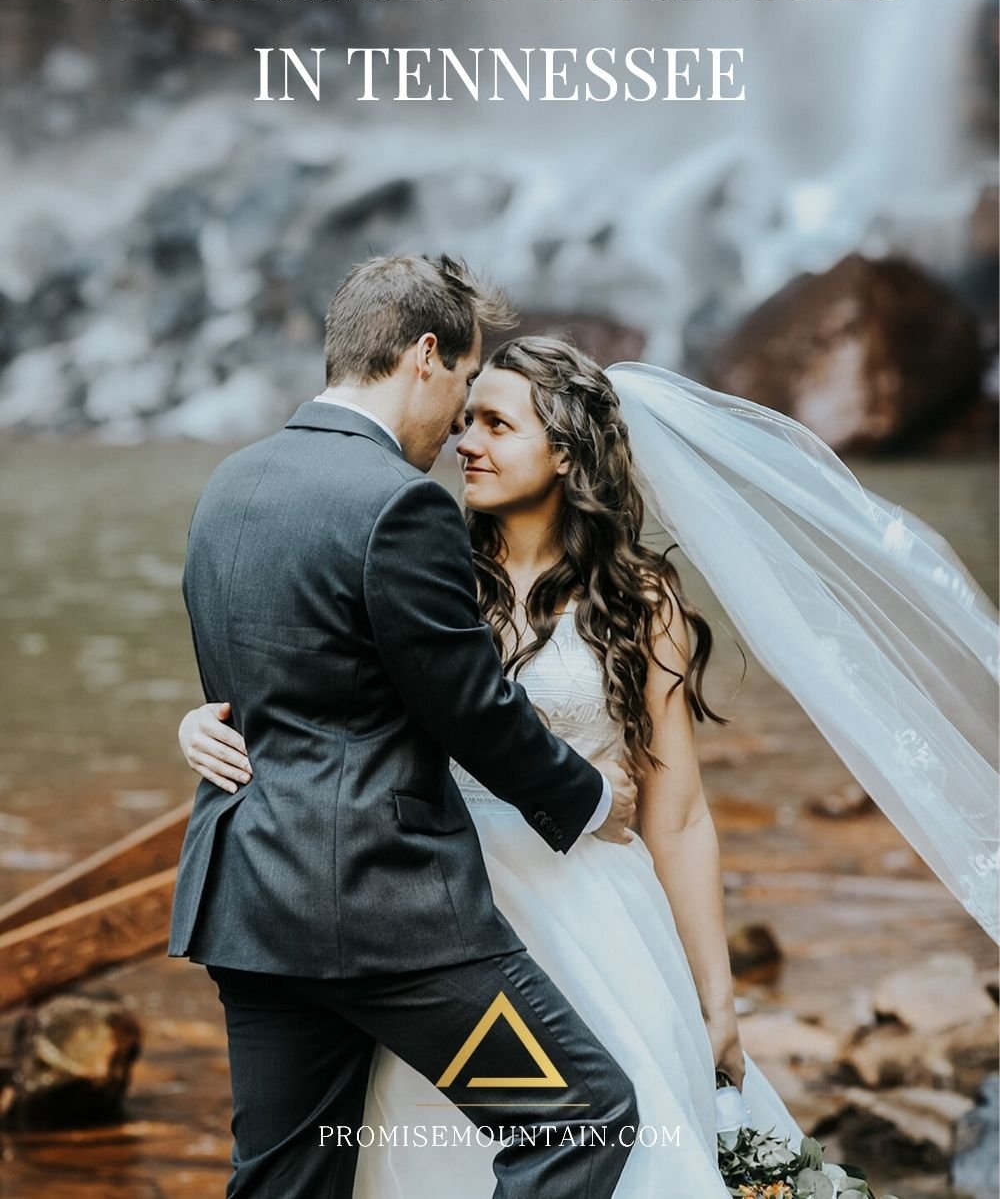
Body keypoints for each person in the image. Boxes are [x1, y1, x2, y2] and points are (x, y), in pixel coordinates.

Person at [183, 332, 1000, 1196]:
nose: (466, 443)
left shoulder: (641, 604)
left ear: (567, 454)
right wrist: (200, 723)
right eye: (465, 421)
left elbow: (678, 813)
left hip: (594, 911)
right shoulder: (426, 565)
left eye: (496, 425)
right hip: (430, 908)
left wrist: (716, 996)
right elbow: (321, 695)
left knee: (617, 1142)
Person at [167, 258, 643, 1199]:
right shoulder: (398, 501)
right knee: (580, 1117)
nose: (458, 419)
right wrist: (589, 799)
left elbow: (258, 677)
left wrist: (193, 725)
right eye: (467, 385)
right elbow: (467, 703)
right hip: (381, 920)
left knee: (284, 1178)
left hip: (248, 903)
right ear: (426, 355)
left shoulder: (232, 480)